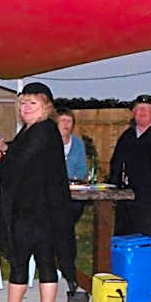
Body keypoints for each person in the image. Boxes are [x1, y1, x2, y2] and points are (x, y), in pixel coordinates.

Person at [0, 82, 76, 302]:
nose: (26, 107)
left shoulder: (42, 130)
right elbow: (24, 151)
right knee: (45, 262)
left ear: (46, 107)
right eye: (23, 102)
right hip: (47, 210)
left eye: (33, 103)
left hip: (32, 210)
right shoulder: (38, 130)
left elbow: (19, 162)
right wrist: (6, 148)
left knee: (20, 261)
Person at [108, 94, 151, 299]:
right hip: (126, 197)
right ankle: (123, 277)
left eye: (145, 110)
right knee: (122, 237)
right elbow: (116, 163)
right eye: (137, 109)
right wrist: (114, 187)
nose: (141, 113)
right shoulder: (127, 136)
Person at [56, 108, 89, 265]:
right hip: (53, 192)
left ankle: (64, 255)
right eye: (62, 121)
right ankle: (65, 257)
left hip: (73, 191)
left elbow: (82, 168)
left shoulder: (77, 143)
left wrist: (75, 180)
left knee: (73, 210)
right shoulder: (49, 142)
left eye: (69, 121)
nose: (66, 124)